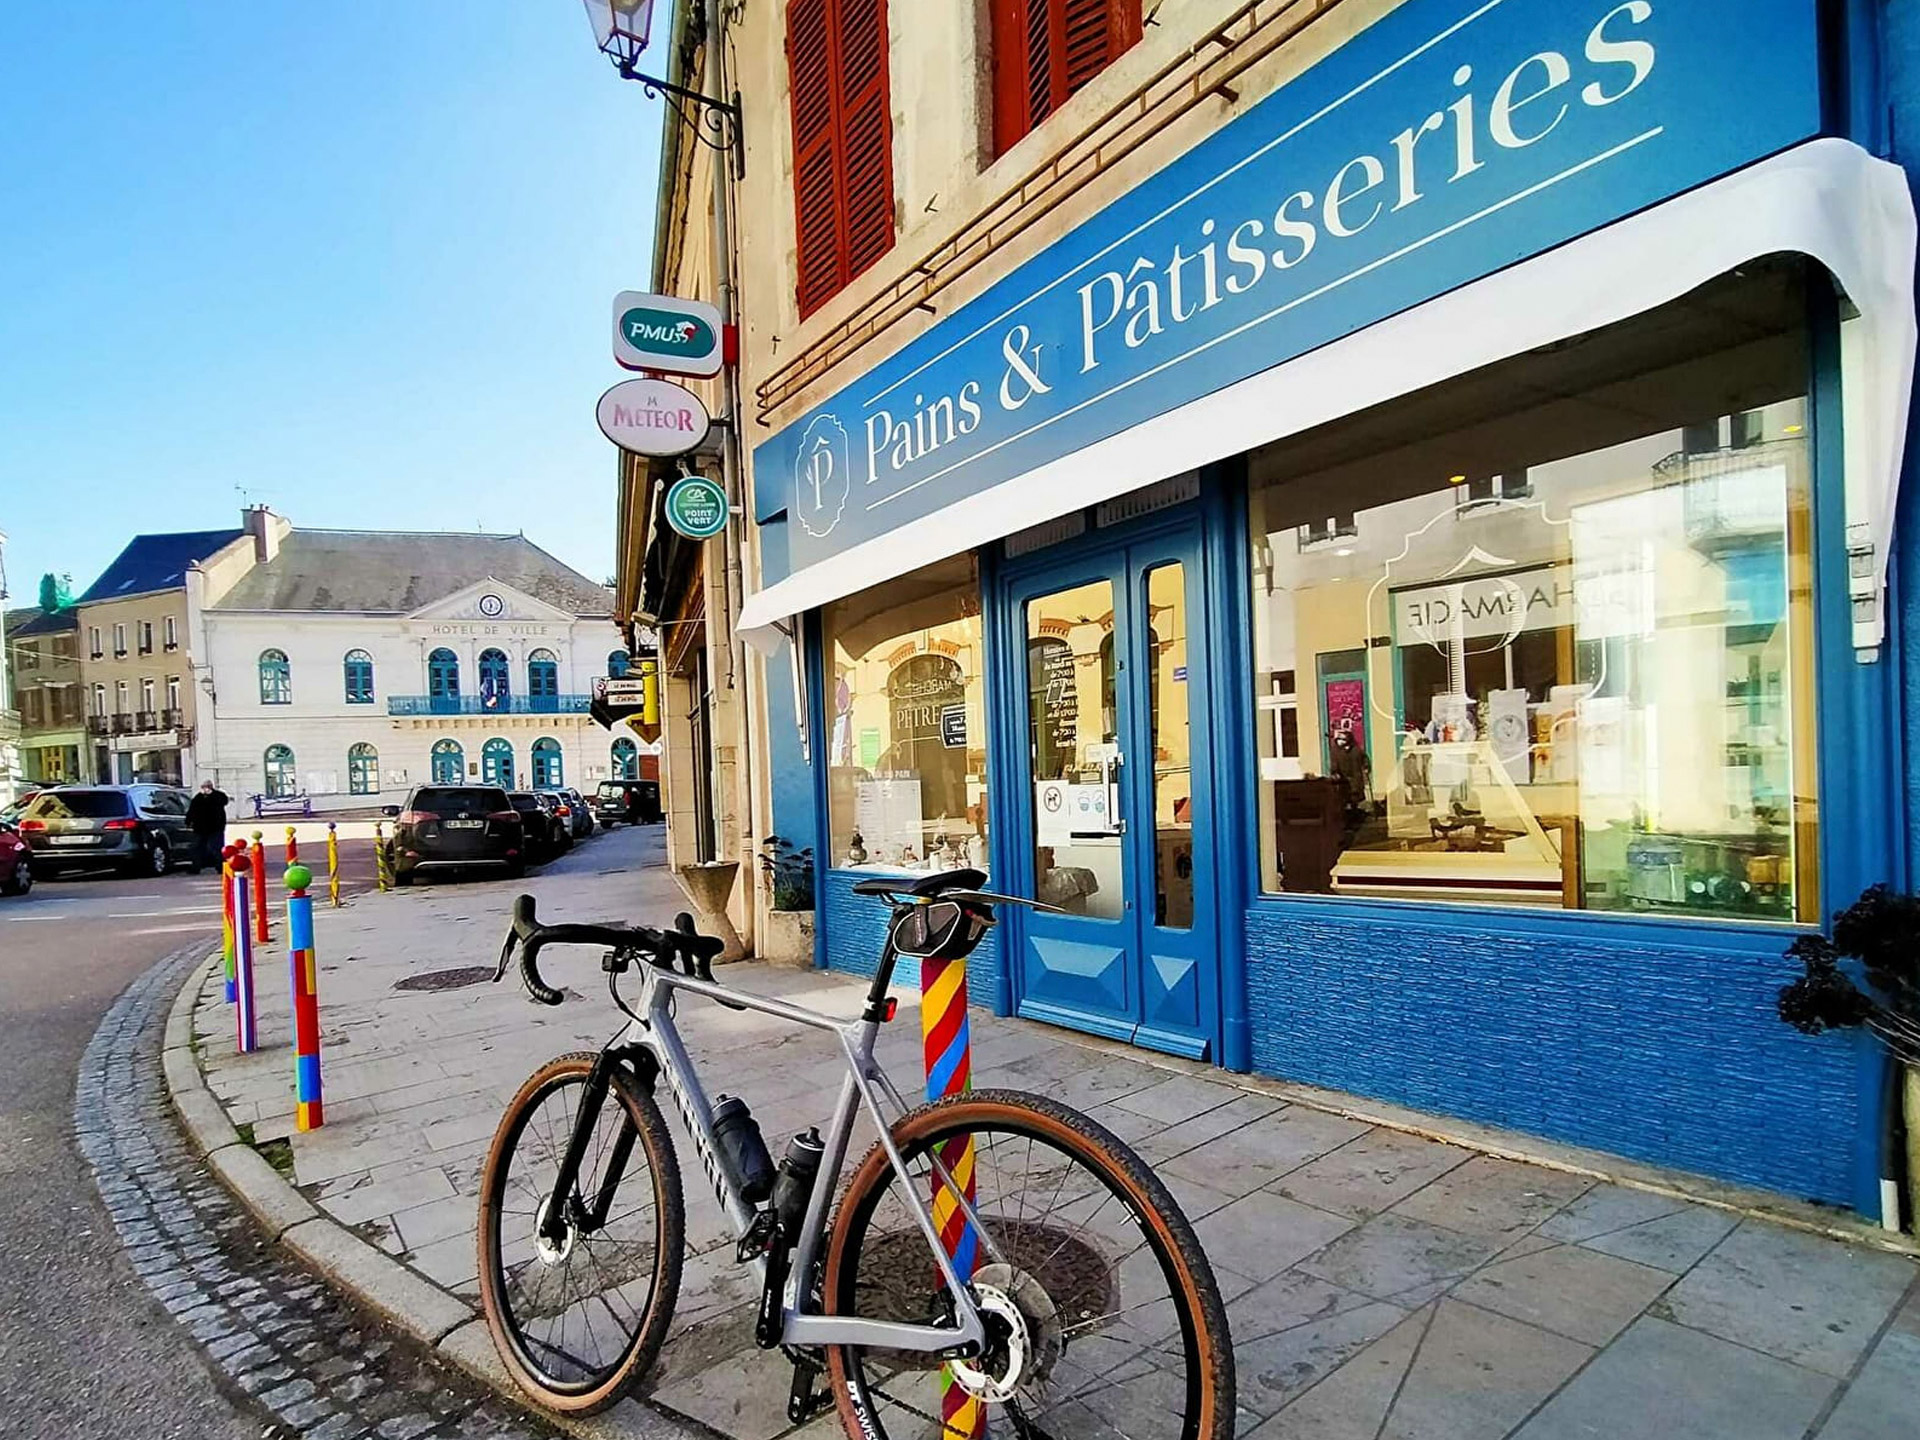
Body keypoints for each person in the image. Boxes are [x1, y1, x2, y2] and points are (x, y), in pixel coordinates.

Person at [186, 781, 230, 872]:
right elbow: (192, 810)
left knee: (216, 847)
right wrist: (188, 821)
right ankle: (196, 867)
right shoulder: (198, 797)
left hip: (215, 827)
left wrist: (211, 795)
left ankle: (220, 866)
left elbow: (224, 801)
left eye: (207, 787)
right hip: (200, 827)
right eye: (203, 787)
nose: (205, 789)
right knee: (197, 847)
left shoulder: (218, 796)